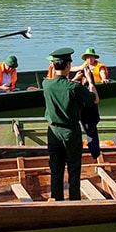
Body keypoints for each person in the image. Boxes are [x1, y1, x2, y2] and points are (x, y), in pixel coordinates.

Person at [41, 48, 100, 201]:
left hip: (53, 132)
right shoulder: (75, 88)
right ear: (68, 66)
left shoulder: (46, 85)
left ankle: (57, 200)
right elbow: (94, 99)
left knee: (56, 170)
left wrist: (73, 79)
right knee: (74, 170)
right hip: (70, 133)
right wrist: (90, 80)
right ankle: (74, 200)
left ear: (53, 66)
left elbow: (61, 87)